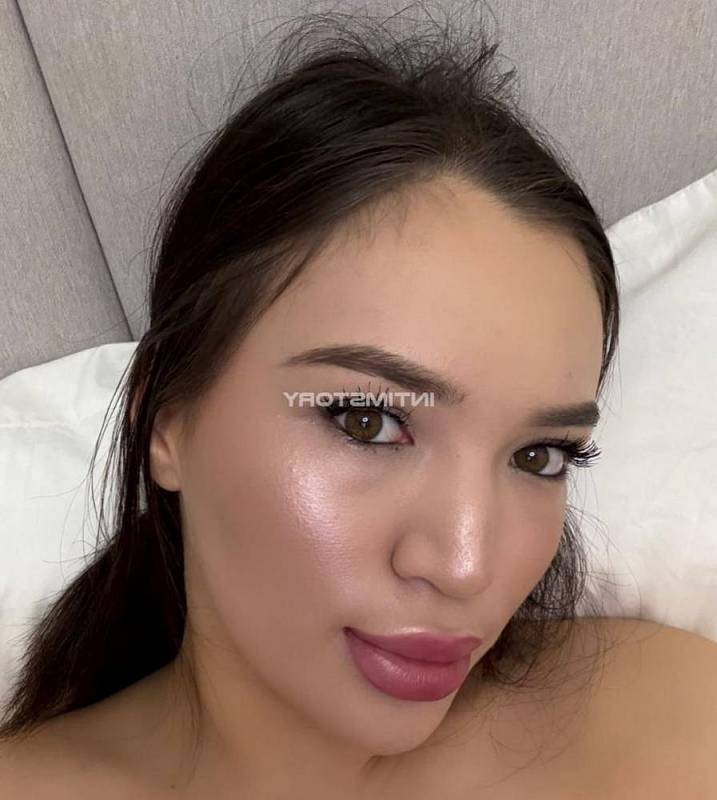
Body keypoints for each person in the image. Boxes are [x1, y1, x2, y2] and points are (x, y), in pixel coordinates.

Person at [1, 3, 715, 797]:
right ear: (166, 420)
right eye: (367, 421)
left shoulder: (666, 719)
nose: (466, 565)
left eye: (539, 455)